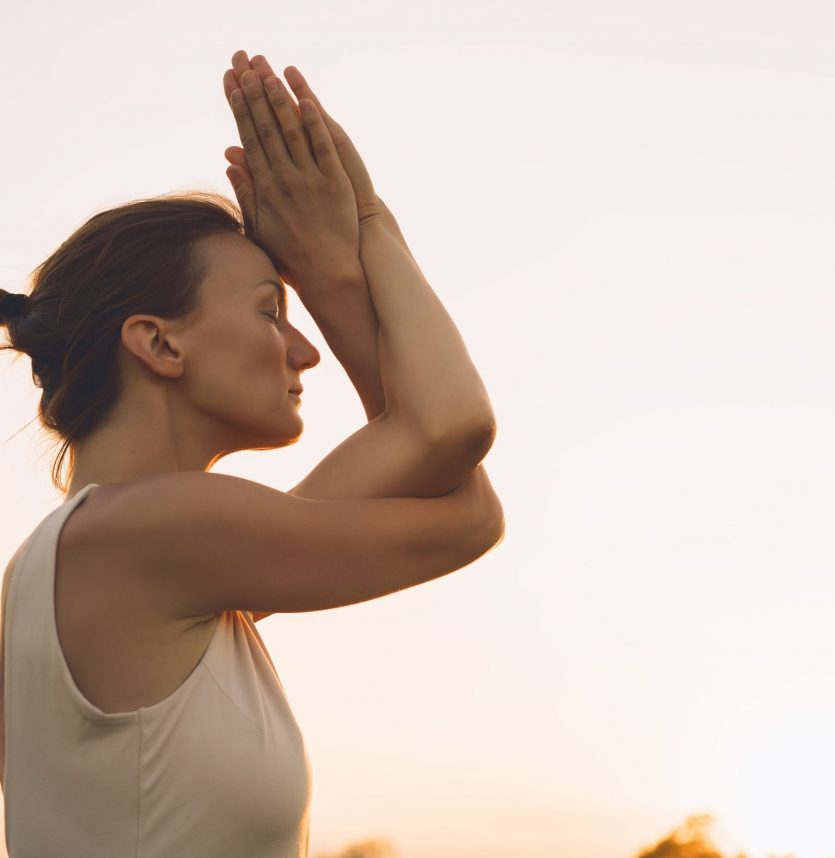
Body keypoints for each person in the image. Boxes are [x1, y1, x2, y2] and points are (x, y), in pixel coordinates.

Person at [0, 49, 503, 857]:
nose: (304, 352)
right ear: (160, 344)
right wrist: (357, 237)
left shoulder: (100, 559)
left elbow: (462, 494)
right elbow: (451, 433)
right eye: (273, 311)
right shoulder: (161, 531)